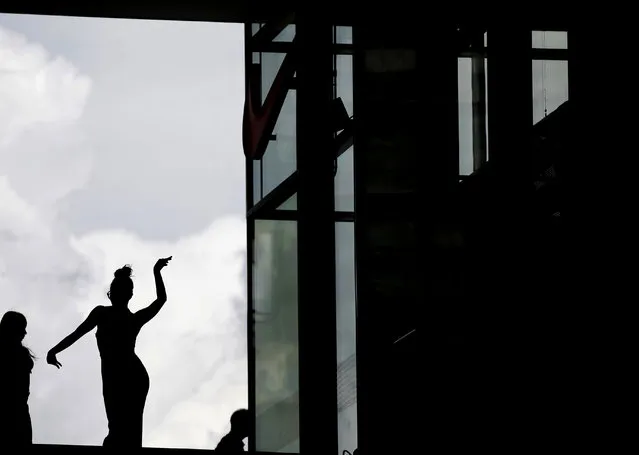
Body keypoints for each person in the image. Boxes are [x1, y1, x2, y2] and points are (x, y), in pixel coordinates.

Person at [47, 257, 172, 447]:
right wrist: (54, 350)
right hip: (123, 373)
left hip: (128, 375)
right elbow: (77, 333)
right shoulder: (116, 316)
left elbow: (77, 334)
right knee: (122, 425)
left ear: (124, 294)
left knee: (122, 426)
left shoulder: (111, 315)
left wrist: (54, 350)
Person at [0, 311, 35, 446]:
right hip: (15, 412)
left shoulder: (22, 354)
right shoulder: (19, 354)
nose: (25, 333)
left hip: (19, 412)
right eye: (22, 328)